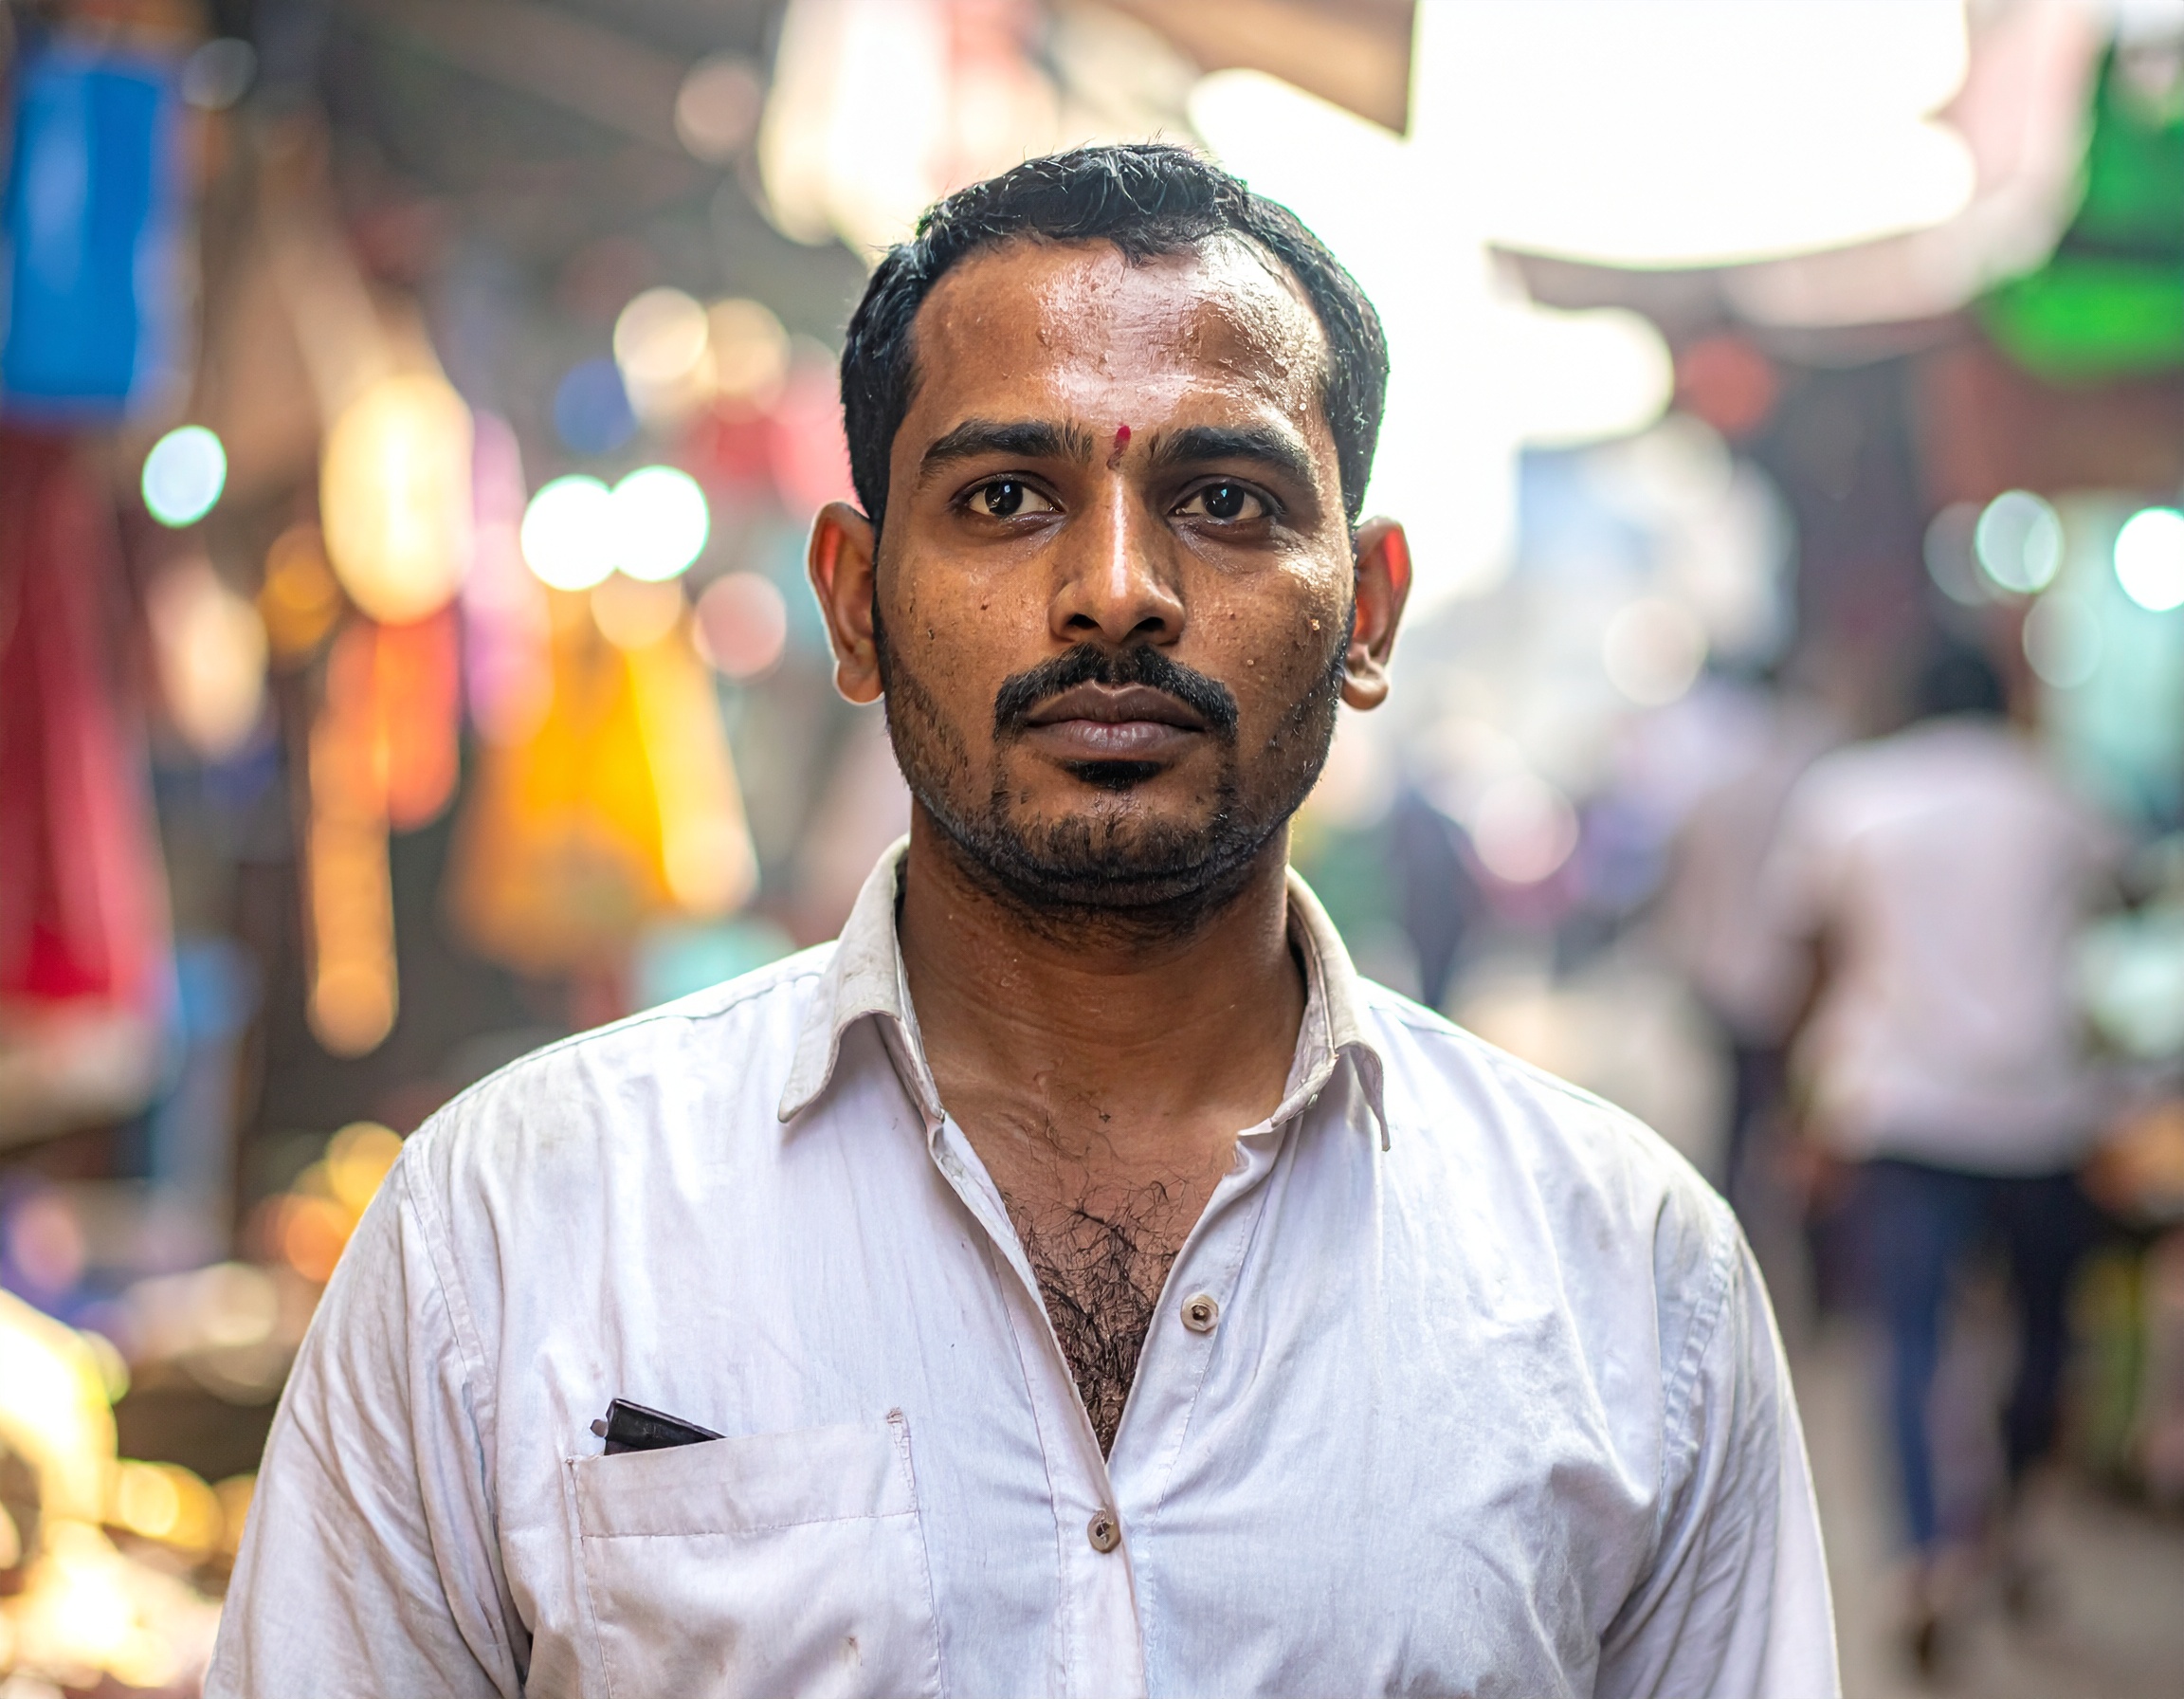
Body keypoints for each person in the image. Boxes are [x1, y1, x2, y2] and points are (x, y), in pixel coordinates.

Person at [209, 144, 1835, 1698]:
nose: (1114, 588)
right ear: (852, 601)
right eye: (1001, 497)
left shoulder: (1629, 1280)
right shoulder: (508, 1226)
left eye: (1223, 497)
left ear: (1369, 609)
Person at [1764, 645, 2116, 1670]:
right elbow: (2112, 909)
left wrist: (1804, 1105)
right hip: (2044, 1112)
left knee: (1909, 1340)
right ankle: (2006, 1524)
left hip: (1899, 1110)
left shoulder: (1851, 800)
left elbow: (1817, 961)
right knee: (2044, 1339)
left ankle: (1926, 1557)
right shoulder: (2061, 797)